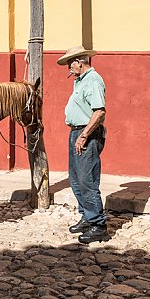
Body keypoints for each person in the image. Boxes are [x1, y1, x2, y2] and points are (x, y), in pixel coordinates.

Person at [57, 46, 110, 244]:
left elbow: (99, 112)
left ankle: (99, 225)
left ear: (80, 62)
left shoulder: (93, 80)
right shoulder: (80, 81)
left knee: (87, 181)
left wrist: (84, 136)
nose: (68, 68)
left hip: (86, 134)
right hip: (77, 132)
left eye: (70, 63)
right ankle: (88, 217)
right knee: (76, 180)